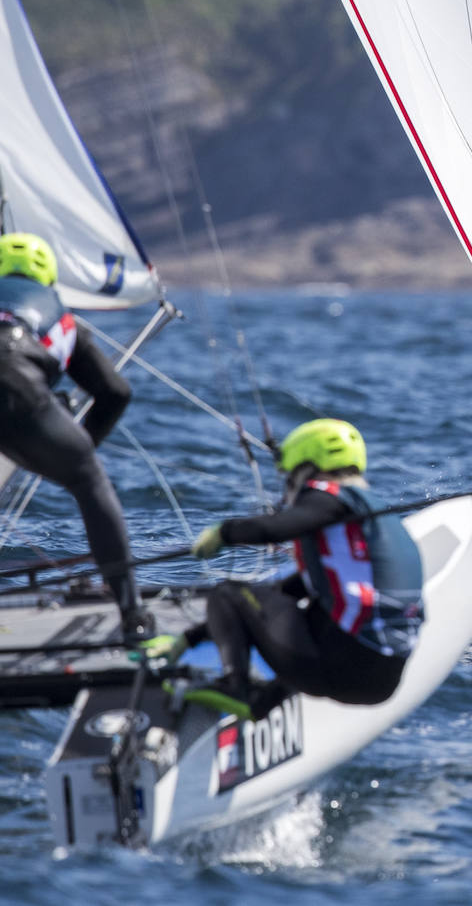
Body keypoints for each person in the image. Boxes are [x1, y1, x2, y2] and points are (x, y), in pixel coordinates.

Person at [145, 418, 425, 719]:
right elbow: (280, 594)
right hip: (383, 682)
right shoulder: (371, 514)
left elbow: (277, 528)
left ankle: (237, 688)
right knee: (304, 610)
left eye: (289, 476)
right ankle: (265, 700)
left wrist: (223, 533)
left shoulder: (325, 497)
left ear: (305, 468)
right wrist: (189, 639)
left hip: (340, 670)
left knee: (227, 593)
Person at [0, 233, 150, 641]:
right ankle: (132, 613)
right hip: (24, 394)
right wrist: (81, 454)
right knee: (91, 483)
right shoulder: (62, 318)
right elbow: (116, 392)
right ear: (49, 277)